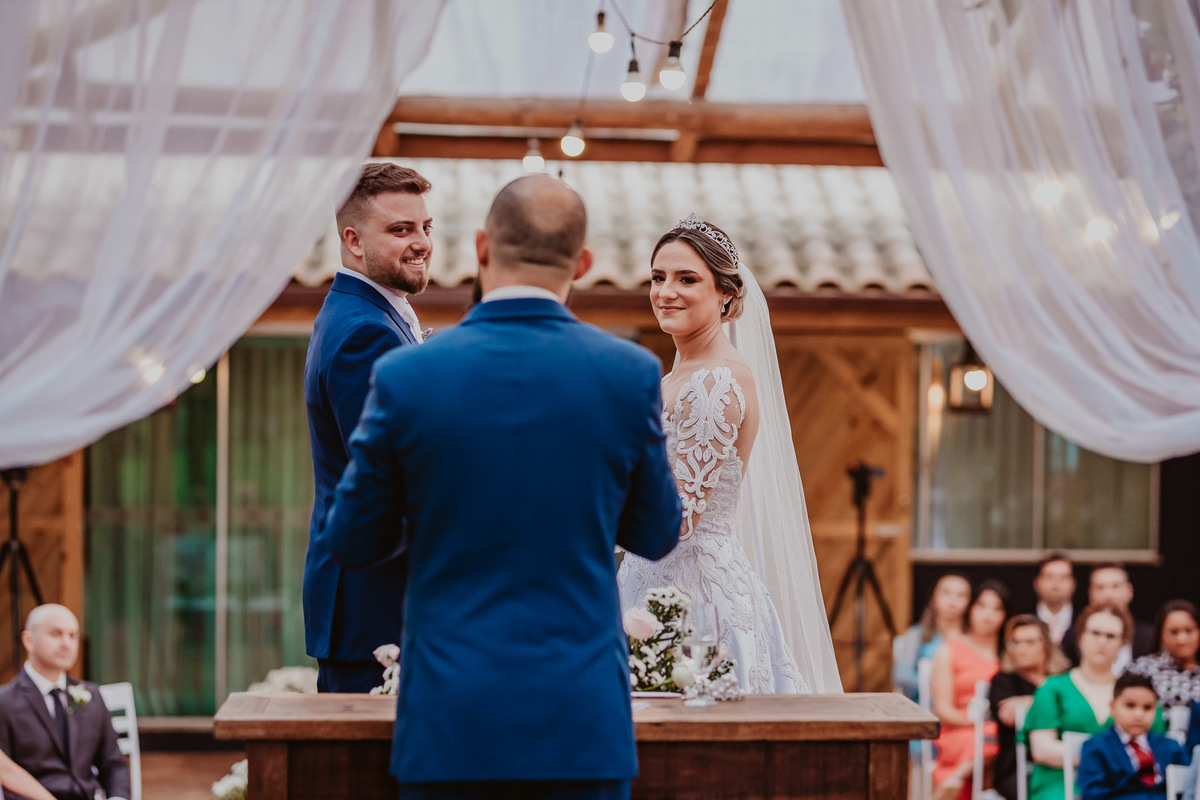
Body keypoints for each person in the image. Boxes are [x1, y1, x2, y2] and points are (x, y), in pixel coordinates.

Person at [323, 174, 682, 800]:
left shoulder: (406, 376)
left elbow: (354, 539)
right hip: (581, 715)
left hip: (449, 715)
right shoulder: (628, 373)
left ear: (483, 247)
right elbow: (656, 532)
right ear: (583, 263)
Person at [615, 214, 841, 695]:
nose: (665, 292)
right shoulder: (675, 378)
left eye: (687, 279)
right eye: (658, 277)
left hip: (691, 597)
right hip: (656, 578)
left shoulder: (714, 381)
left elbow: (679, 519)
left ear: (726, 294)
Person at [303, 163, 434, 693]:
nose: (421, 242)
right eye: (400, 229)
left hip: (375, 602)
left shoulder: (372, 314)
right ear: (353, 241)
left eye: (425, 226)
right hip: (376, 606)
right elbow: (389, 482)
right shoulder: (364, 333)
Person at [1025, 603, 1165, 800]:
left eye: (1111, 636)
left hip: (1123, 785)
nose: (1102, 641)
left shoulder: (1137, 694)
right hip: (1060, 781)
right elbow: (1042, 749)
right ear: (1080, 636)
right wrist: (1103, 758)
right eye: (1095, 633)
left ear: (1123, 643)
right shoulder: (1053, 688)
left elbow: (1155, 744)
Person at [0, 604, 130, 800]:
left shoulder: (92, 695)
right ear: (29, 640)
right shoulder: (5, 701)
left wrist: (117, 798)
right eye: (56, 634)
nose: (66, 643)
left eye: (73, 636)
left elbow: (112, 763)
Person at [931, 579, 1009, 800]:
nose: (988, 615)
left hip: (999, 727)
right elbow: (943, 708)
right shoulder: (949, 650)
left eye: (997, 609)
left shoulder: (1009, 655)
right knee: (985, 738)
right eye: (982, 606)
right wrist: (975, 722)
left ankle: (952, 783)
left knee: (994, 738)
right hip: (958, 728)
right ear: (971, 609)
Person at [989, 615, 1071, 800]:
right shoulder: (1003, 681)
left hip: (1063, 761)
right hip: (1018, 768)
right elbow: (1009, 716)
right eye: (1015, 643)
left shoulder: (1064, 677)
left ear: (1046, 645)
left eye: (1029, 642)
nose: (1021, 649)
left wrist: (1029, 702)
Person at [1077, 672, 1186, 800]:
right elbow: (1093, 793)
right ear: (1113, 707)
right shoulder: (1096, 747)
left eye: (1147, 707)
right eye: (1130, 705)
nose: (1139, 714)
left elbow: (1190, 786)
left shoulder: (1171, 746)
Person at [1060, 564, 1155, 670]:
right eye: (1100, 587)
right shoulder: (1073, 635)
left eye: (1115, 586)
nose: (1108, 594)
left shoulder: (1148, 637)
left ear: (1129, 591)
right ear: (1090, 593)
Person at [895, 573, 973, 701]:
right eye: (946, 593)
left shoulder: (973, 639)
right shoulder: (916, 635)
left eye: (961, 595)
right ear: (933, 597)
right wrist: (937, 686)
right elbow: (902, 675)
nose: (952, 601)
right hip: (923, 706)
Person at [1127, 600, 1200, 710]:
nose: (1182, 639)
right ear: (1161, 634)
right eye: (1174, 632)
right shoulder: (1142, 670)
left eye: (1188, 631)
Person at [1034, 553, 1077, 647]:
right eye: (1049, 577)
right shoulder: (1023, 617)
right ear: (1036, 582)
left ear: (1073, 583)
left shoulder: (1083, 621)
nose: (1056, 583)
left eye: (1063, 577)